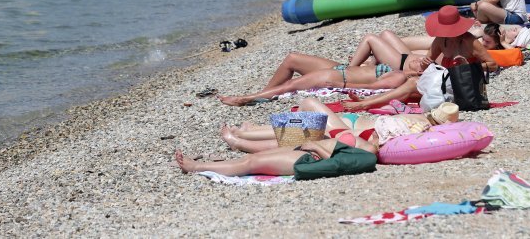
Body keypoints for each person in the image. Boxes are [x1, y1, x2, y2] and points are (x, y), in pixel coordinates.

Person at [342, 6, 497, 112]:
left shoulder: (470, 42)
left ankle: (364, 104)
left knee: (411, 85)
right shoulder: (440, 41)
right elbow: (427, 63)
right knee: (411, 86)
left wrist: (468, 67)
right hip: (446, 84)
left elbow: (493, 65)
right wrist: (424, 64)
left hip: (466, 89)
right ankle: (370, 99)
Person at [220, 98, 458, 154]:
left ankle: (244, 137)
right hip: (351, 126)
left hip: (352, 132)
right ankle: (247, 134)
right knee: (307, 124)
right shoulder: (419, 122)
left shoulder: (419, 125)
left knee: (309, 107)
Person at [218, 55, 432, 106]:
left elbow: (372, 87)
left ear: (421, 75)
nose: (417, 60)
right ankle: (265, 95)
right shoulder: (398, 70)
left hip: (337, 77)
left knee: (290, 86)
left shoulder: (400, 77)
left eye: (422, 64)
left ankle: (248, 98)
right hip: (340, 69)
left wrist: (342, 86)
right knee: (292, 58)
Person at [174, 137, 377, 181]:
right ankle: (206, 165)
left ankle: (196, 166)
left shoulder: (367, 157)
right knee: (253, 158)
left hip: (308, 160)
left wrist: (316, 146)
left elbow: (335, 165)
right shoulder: (367, 153)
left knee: (251, 163)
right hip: (308, 155)